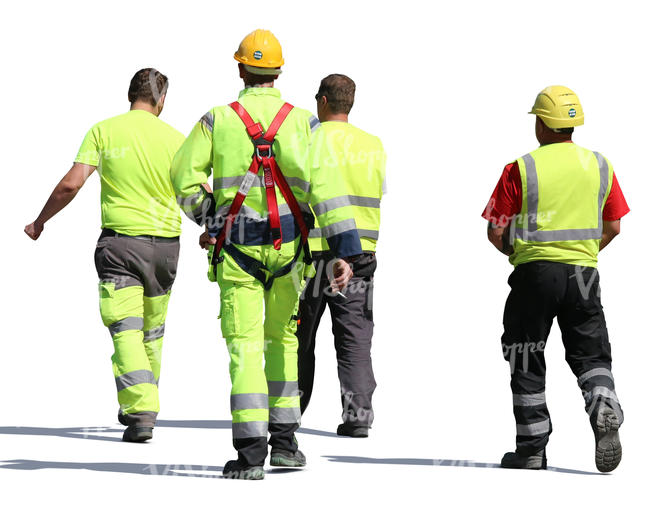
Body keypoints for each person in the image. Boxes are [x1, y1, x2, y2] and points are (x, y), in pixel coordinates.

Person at [170, 29, 361, 480]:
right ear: (278, 72)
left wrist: (212, 221)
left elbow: (181, 176)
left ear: (240, 68)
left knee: (245, 347)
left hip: (238, 253)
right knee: (284, 343)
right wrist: (344, 250)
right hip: (291, 255)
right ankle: (286, 444)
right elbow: (328, 191)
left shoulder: (216, 120)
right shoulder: (303, 123)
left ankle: (251, 453)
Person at [24, 68, 185, 443]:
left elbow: (70, 185)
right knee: (153, 331)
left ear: (131, 94)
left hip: (121, 248)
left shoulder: (104, 131)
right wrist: (213, 230)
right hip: (166, 248)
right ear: (161, 100)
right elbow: (196, 190)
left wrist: (39, 221)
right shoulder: (177, 138)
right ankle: (143, 401)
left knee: (126, 328)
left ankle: (141, 408)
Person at [482, 86, 629, 472]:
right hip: (584, 274)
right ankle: (603, 405)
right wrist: (583, 252)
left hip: (535, 274)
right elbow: (613, 225)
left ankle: (531, 448)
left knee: (525, 352)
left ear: (543, 123)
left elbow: (496, 232)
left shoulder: (520, 168)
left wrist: (519, 255)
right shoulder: (601, 165)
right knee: (591, 353)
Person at [297, 74, 386, 438]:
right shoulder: (373, 145)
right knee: (354, 340)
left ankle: (290, 411)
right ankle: (358, 416)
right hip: (361, 256)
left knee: (298, 339)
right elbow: (378, 192)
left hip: (311, 255)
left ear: (321, 101)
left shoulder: (307, 138)